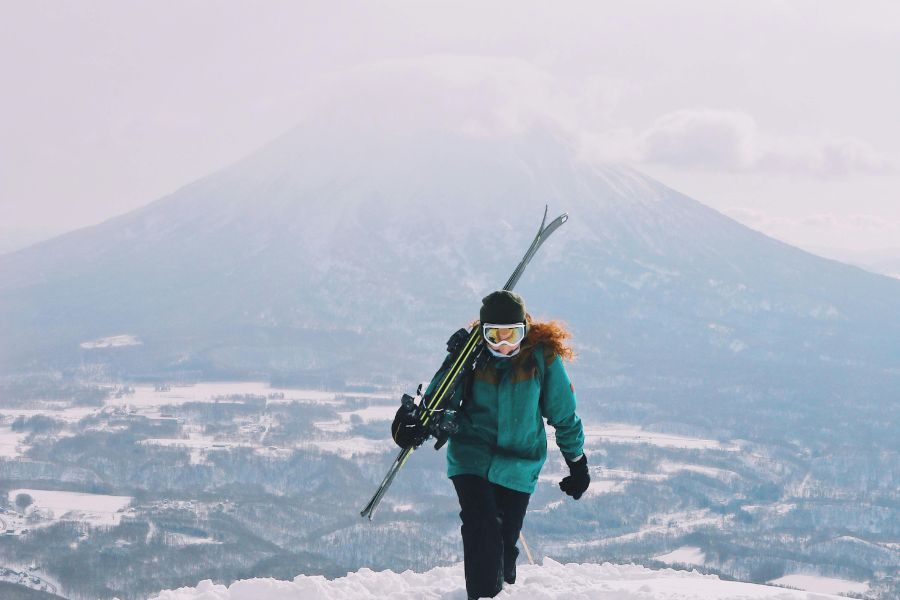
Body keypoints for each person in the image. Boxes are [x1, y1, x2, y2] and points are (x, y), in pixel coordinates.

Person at [392, 290, 590, 599]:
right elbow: (438, 395)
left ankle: (501, 566)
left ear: (524, 330)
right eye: (493, 336)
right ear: (482, 333)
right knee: (480, 527)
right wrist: (412, 423)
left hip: (519, 463)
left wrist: (577, 463)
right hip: (472, 455)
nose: (503, 344)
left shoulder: (541, 357)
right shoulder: (470, 355)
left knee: (502, 539)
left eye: (511, 335)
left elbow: (563, 413)